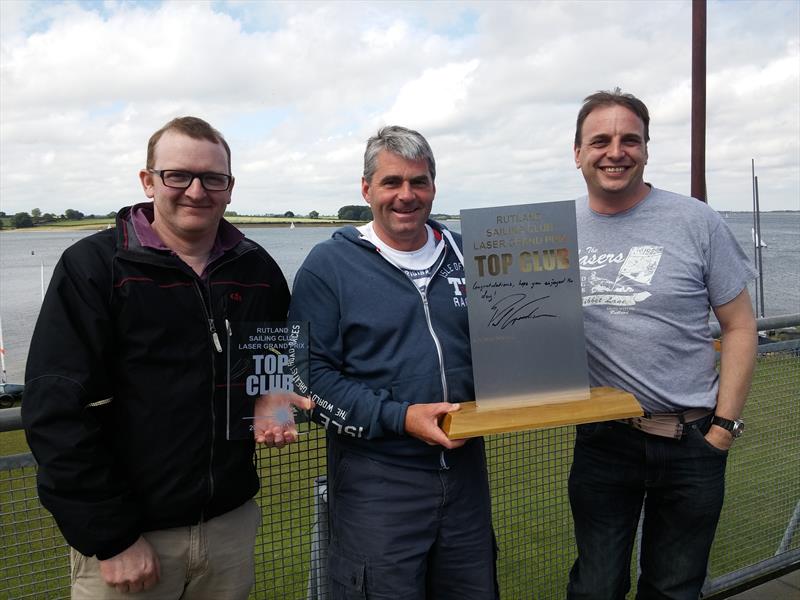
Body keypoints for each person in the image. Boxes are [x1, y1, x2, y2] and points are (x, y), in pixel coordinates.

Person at [22, 116, 309, 598]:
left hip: (229, 528)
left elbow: (277, 349)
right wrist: (112, 538)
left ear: (230, 188)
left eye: (212, 178)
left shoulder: (256, 267)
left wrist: (274, 396)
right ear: (148, 180)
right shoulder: (94, 268)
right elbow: (54, 411)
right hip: (132, 538)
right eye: (178, 175)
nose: (196, 191)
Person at [289, 126, 498, 599]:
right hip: (377, 480)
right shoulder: (329, 266)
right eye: (391, 182)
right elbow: (306, 375)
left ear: (433, 187)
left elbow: (512, 337)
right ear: (366, 189)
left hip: (466, 473)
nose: (406, 195)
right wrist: (400, 418)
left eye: (419, 182)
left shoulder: (471, 254)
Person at [567, 89, 758, 599]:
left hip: (692, 441)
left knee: (674, 589)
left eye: (630, 139)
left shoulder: (696, 221)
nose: (616, 151)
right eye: (600, 140)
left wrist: (724, 428)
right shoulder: (554, 232)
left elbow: (740, 326)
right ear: (578, 153)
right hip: (604, 442)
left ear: (647, 150)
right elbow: (518, 313)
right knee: (596, 587)